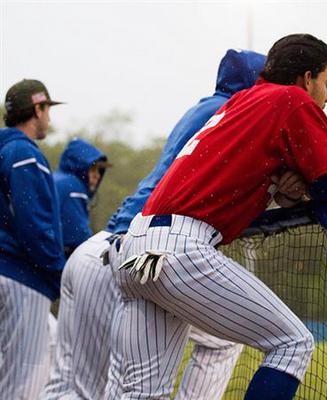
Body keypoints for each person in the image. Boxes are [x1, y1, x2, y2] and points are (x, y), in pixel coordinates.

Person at [112, 33, 327, 400]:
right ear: (307, 79)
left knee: (143, 393)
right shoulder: (291, 98)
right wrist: (306, 181)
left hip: (135, 246)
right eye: (326, 82)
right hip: (180, 249)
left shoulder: (241, 101)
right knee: (292, 343)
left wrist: (288, 181)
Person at [40, 48, 266, 400]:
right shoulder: (227, 112)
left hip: (102, 251)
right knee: (90, 391)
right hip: (128, 252)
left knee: (73, 386)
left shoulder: (203, 108)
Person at [0, 79, 66, 399]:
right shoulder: (23, 153)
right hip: (20, 277)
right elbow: (35, 227)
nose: (49, 118)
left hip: (6, 272)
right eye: (47, 109)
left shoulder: (3, 148)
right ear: (36, 109)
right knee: (24, 383)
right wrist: (58, 273)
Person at [54, 138, 110, 258]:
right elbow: (76, 236)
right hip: (54, 261)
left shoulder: (58, 179)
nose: (97, 175)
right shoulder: (73, 186)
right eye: (93, 168)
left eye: (100, 170)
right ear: (80, 166)